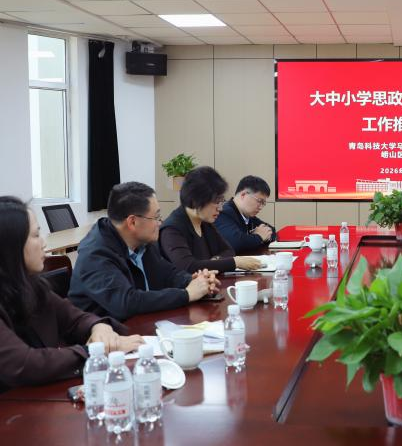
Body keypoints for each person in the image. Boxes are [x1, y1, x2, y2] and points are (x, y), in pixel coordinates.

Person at [0, 196, 143, 391]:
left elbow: (75, 319)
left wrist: (98, 327)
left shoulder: (32, 286)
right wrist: (93, 352)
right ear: (10, 246)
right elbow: (23, 364)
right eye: (36, 235)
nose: (43, 243)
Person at [69, 182, 219, 321]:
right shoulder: (95, 255)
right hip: (106, 335)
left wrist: (195, 281)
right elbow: (126, 302)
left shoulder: (142, 242)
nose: (160, 222)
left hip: (141, 326)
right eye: (156, 217)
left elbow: (168, 274)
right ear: (132, 222)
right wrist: (187, 294)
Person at [159, 166, 264, 274]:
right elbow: (188, 266)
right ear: (196, 200)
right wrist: (235, 262)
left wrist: (213, 262)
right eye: (216, 202)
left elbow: (228, 251)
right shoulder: (172, 230)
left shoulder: (204, 222)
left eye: (221, 201)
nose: (220, 208)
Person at [215, 175, 277, 254]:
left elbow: (271, 230)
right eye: (259, 201)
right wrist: (259, 237)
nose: (261, 207)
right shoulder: (224, 213)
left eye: (263, 203)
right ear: (243, 195)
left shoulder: (248, 216)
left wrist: (252, 238)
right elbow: (235, 243)